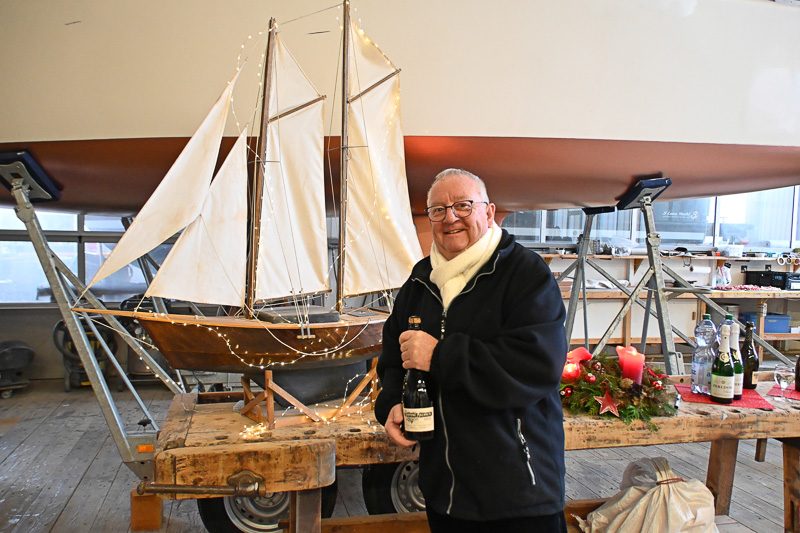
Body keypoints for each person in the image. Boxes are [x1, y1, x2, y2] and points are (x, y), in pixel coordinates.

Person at [375, 168, 569, 532]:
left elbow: (537, 365)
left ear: (489, 212)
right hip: (445, 494)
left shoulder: (525, 274)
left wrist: (439, 356)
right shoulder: (420, 280)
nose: (450, 218)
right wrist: (391, 402)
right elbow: (393, 358)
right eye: (438, 210)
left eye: (463, 206)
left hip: (518, 495)